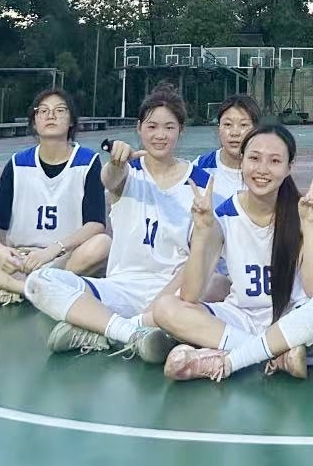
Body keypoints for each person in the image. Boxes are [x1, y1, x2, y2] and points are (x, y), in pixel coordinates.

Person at [24, 84, 207, 362]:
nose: (160, 135)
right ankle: (131, 332)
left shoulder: (200, 181)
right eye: (152, 126)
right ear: (139, 128)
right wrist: (117, 162)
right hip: (119, 288)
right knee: (39, 281)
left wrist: (160, 303)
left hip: (172, 292)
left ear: (181, 130)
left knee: (213, 282)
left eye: (169, 127)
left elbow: (199, 256)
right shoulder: (127, 172)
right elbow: (109, 179)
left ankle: (100, 329)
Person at [155, 125, 313, 382]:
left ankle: (232, 359)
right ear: (242, 161)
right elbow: (190, 295)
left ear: (289, 167)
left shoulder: (300, 210)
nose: (262, 169)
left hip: (291, 318)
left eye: (275, 161)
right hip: (241, 318)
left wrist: (309, 225)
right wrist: (201, 233)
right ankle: (275, 355)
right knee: (165, 307)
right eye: (254, 158)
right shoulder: (224, 215)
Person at [0, 89, 110, 307]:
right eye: (43, 111)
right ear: (34, 122)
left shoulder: (88, 162)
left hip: (63, 257)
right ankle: (28, 289)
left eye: (60, 110)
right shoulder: (18, 163)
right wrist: (0, 252)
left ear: (71, 121)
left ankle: (8, 286)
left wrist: (52, 251)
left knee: (102, 244)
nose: (51, 115)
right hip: (20, 259)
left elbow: (95, 225)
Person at [191, 94, 261, 300]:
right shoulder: (201, 169)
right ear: (218, 129)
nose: (235, 132)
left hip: (257, 269)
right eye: (228, 124)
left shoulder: (265, 171)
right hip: (215, 270)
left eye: (243, 125)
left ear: (256, 129)